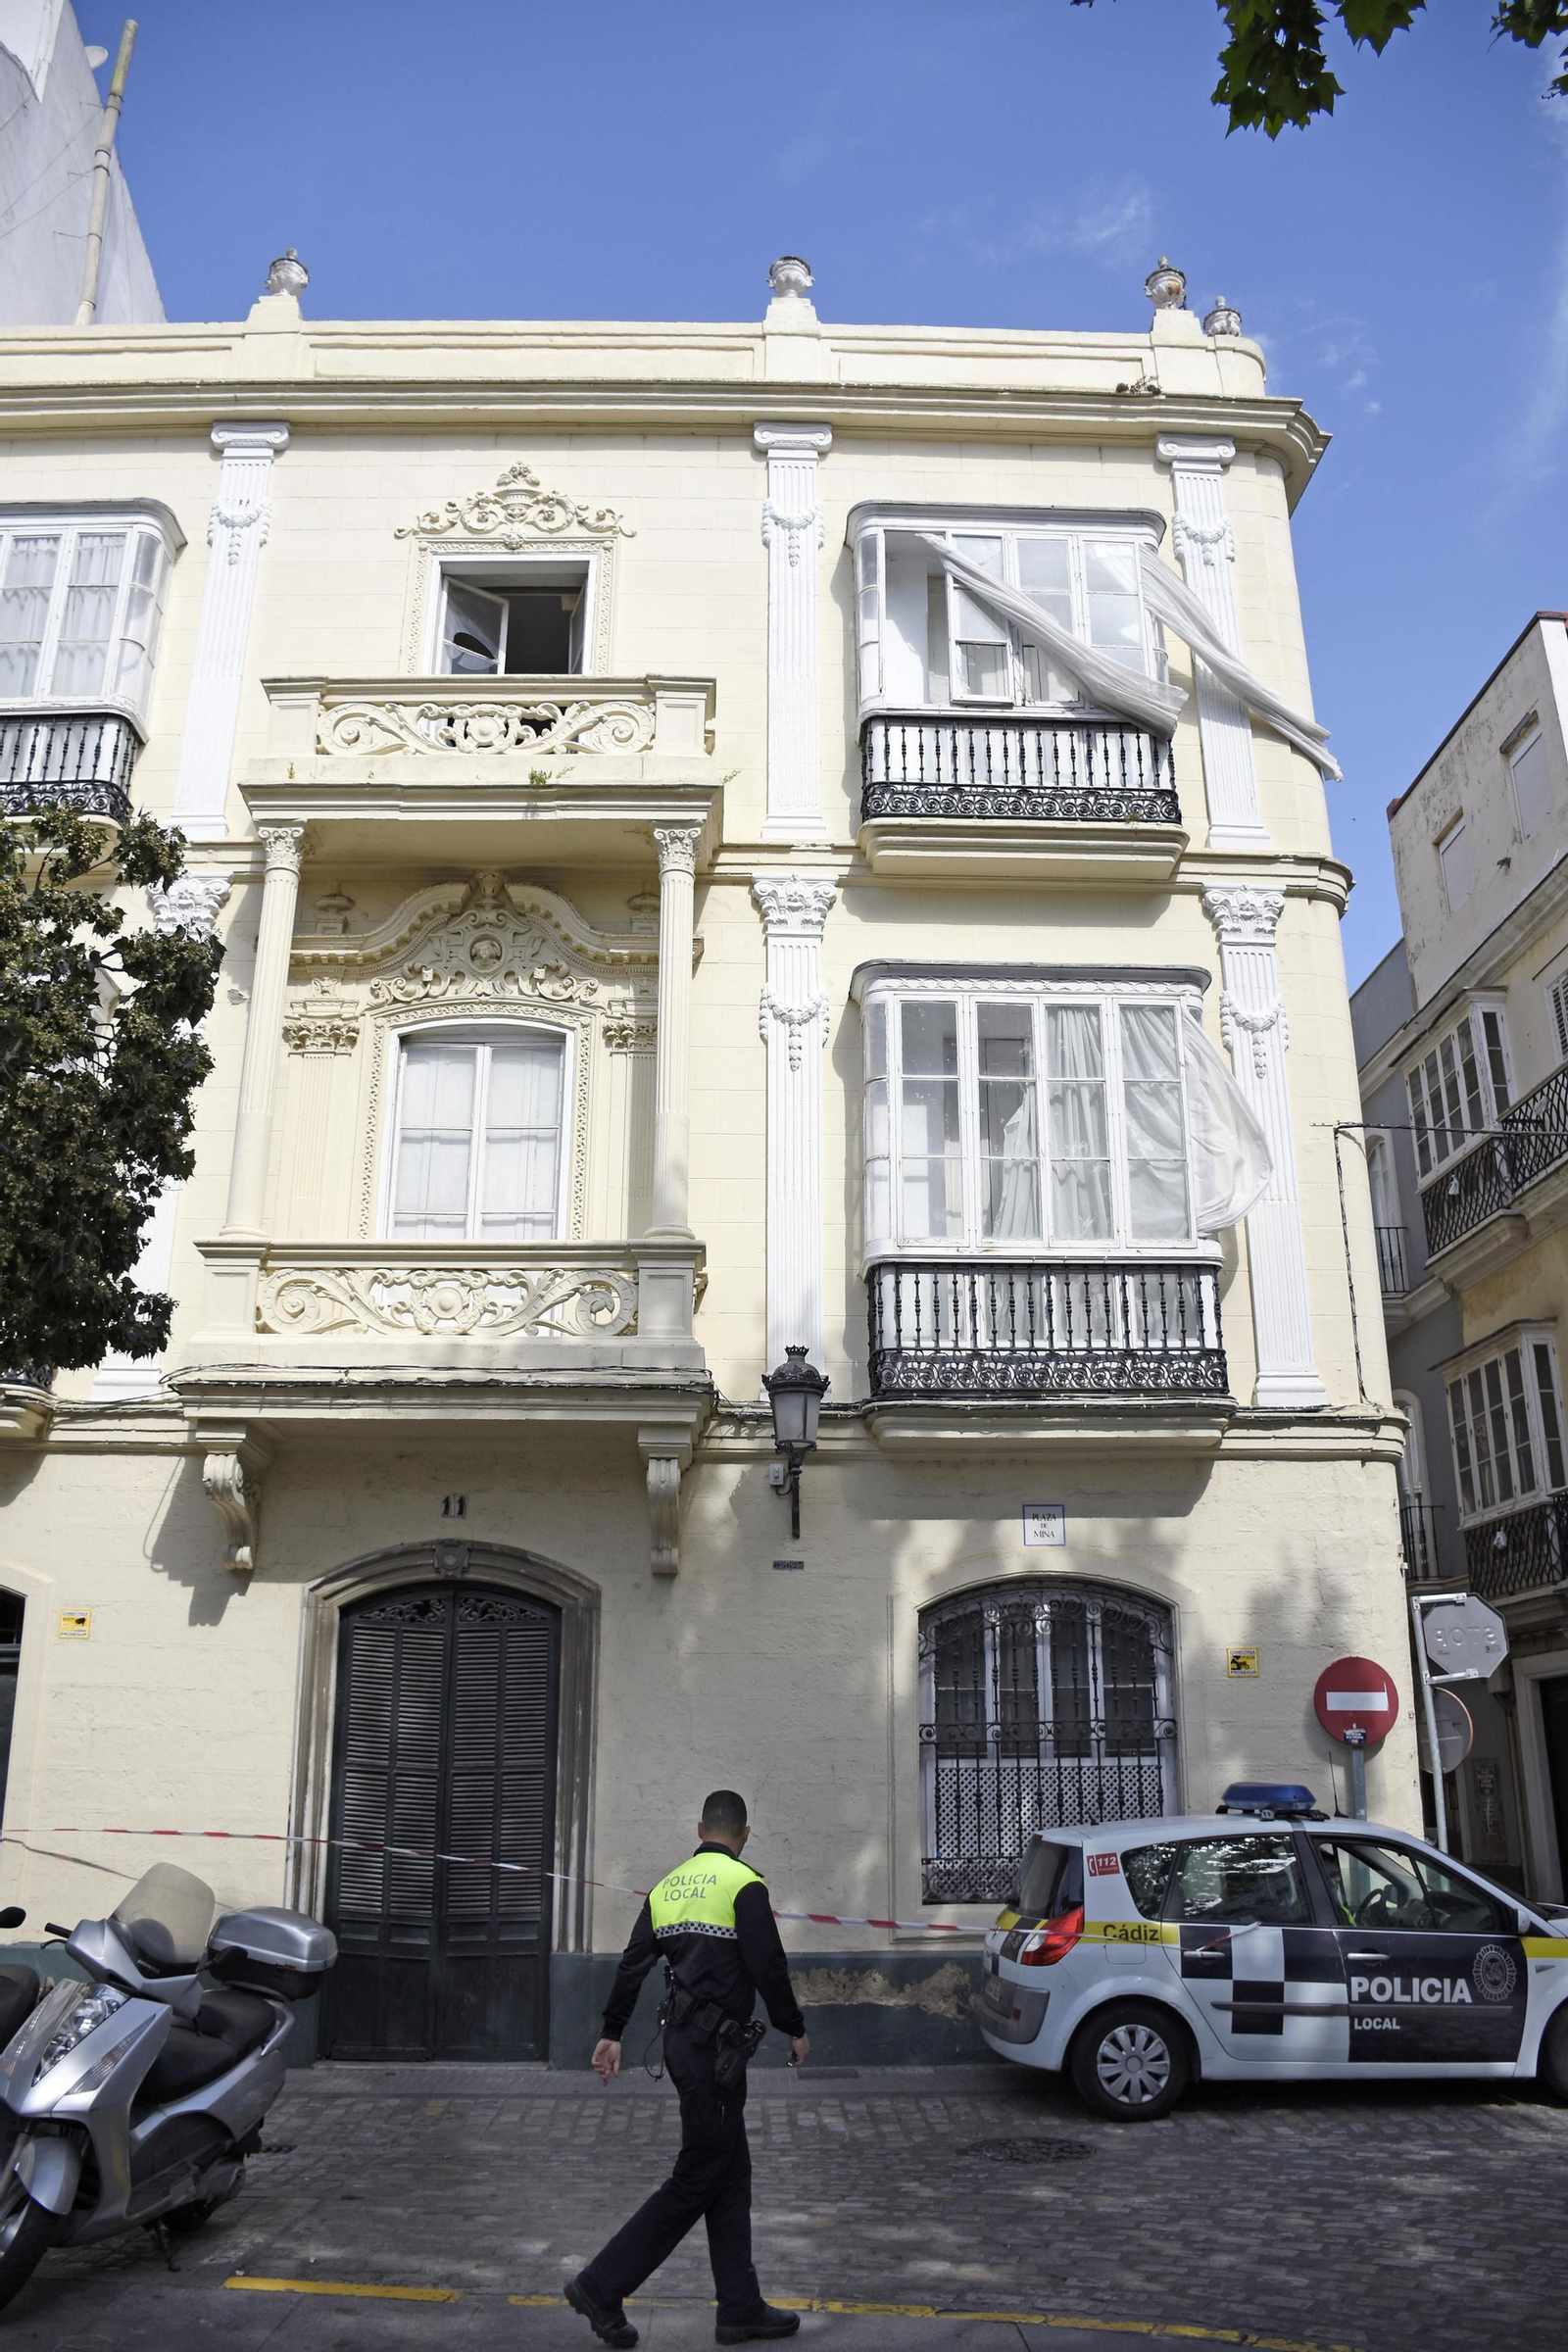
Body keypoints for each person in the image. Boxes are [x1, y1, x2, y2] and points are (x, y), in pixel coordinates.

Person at [564, 1788, 809, 2349]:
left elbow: (632, 1965)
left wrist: (611, 2033)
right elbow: (768, 1963)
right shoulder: (744, 1885)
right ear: (744, 1834)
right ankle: (601, 2285)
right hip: (715, 2056)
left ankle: (740, 2308)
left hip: (683, 2047)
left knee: (730, 2173)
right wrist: (793, 2026)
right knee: (699, 2174)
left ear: (700, 1830)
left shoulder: (666, 1888)